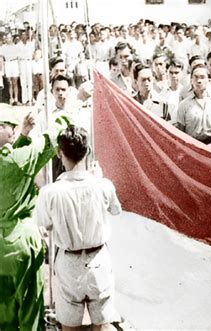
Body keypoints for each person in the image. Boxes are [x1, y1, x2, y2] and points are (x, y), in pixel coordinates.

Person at [34, 125, 122, 331]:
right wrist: (98, 177)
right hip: (97, 261)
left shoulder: (49, 193)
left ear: (59, 153)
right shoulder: (102, 185)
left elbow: (44, 225)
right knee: (102, 324)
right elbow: (116, 210)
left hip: (68, 262)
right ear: (88, 151)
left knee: (69, 327)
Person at [0, 104, 65, 329]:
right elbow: (49, 142)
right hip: (21, 242)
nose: (14, 132)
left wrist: (24, 135)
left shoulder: (13, 156)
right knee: (31, 310)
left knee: (4, 314)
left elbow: (10, 157)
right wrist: (66, 115)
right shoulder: (19, 159)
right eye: (10, 128)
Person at [175, 64, 211, 147]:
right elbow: (180, 132)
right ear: (191, 80)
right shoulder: (183, 105)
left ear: (208, 80)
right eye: (196, 77)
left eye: (202, 77)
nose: (199, 81)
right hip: (192, 147)